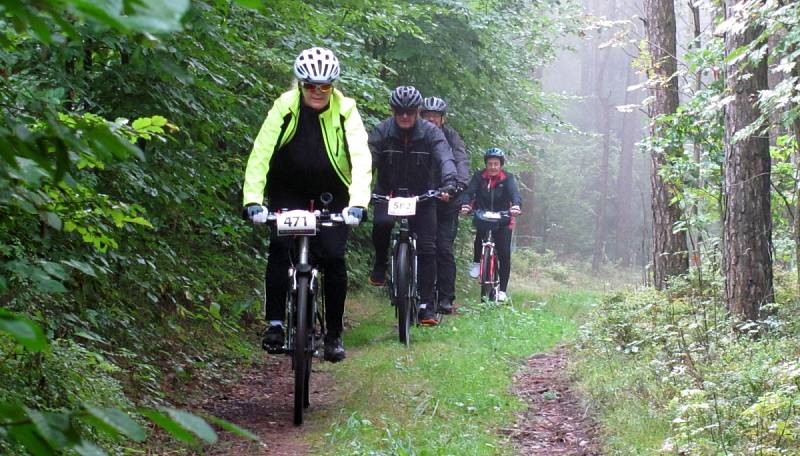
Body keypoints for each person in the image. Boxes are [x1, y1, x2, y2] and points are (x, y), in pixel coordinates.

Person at [242, 47, 372, 362]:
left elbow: (360, 156)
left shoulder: (346, 110)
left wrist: (358, 203)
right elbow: (261, 153)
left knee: (333, 257)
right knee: (279, 247)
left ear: (333, 86)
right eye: (311, 85)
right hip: (288, 189)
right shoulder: (284, 107)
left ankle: (334, 334)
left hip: (333, 192)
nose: (318, 92)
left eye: (324, 86)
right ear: (300, 84)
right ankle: (274, 323)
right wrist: (253, 200)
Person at [369, 86, 458, 326]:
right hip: (388, 193)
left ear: (418, 111)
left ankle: (426, 305)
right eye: (400, 112)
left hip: (423, 196)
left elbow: (445, 157)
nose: (405, 116)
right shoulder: (382, 131)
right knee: (381, 224)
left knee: (428, 248)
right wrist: (360, 188)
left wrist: (450, 183)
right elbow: (368, 161)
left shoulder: (430, 132)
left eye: (410, 112)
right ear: (393, 110)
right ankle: (379, 264)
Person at [420, 96, 470, 314]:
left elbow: (461, 163)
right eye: (428, 116)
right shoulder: (416, 135)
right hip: (422, 200)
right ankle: (421, 294)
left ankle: (446, 297)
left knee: (443, 248)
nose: (432, 120)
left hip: (447, 202)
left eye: (436, 116)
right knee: (422, 246)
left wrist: (455, 188)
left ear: (442, 118)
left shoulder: (452, 138)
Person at [460, 148, 521, 302]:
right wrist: (466, 204)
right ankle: (476, 262)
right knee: (480, 237)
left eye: (496, 164)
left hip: (503, 218)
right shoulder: (479, 177)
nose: (493, 167)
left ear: (501, 165)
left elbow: (515, 194)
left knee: (504, 254)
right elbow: (469, 192)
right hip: (483, 214)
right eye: (490, 164)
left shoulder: (507, 178)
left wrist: (516, 206)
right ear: (486, 164)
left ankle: (502, 291)